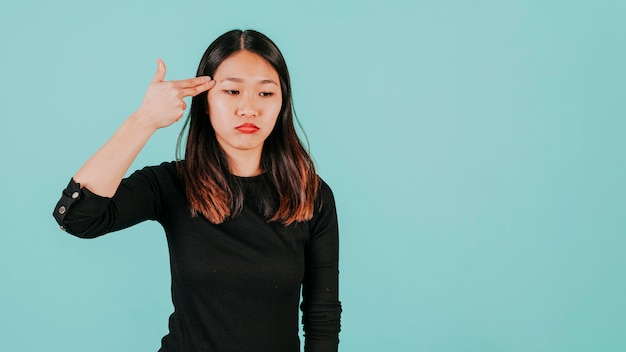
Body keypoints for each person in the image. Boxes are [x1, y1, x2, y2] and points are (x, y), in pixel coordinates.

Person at [52, 29, 341, 352]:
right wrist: (143, 121)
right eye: (232, 91)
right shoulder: (172, 183)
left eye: (265, 93)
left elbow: (322, 316)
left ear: (282, 103)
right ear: (205, 102)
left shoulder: (310, 194)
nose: (248, 109)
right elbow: (77, 218)